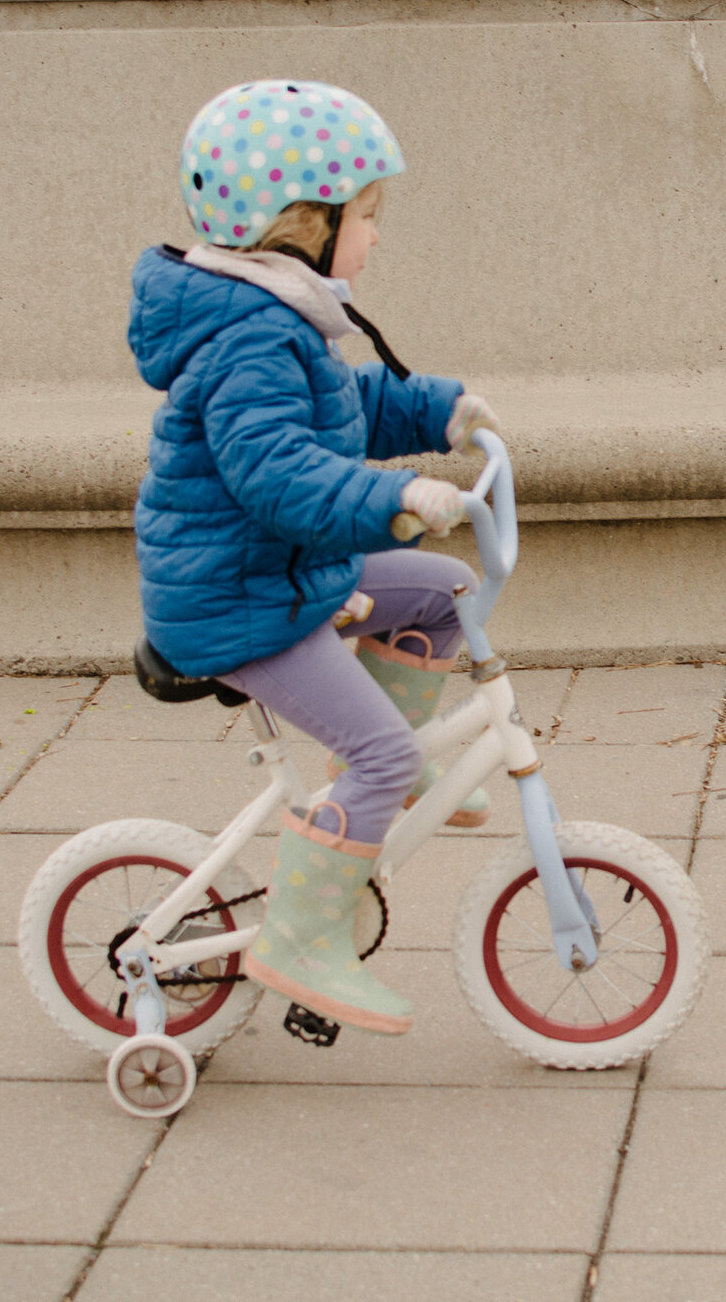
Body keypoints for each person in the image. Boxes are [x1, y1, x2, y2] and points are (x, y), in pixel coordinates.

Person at [130, 79, 499, 1036]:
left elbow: (343, 411)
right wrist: (396, 499)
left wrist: (438, 412)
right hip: (236, 598)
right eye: (366, 217)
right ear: (301, 221)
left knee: (446, 594)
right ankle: (299, 939)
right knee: (378, 755)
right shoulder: (251, 333)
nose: (376, 237)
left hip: (278, 575)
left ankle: (385, 768)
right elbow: (279, 473)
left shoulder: (278, 313)